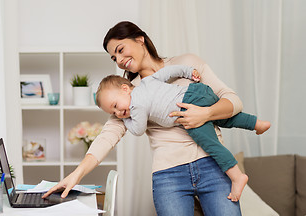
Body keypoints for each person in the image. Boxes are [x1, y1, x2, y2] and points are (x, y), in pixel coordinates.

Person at [43, 21, 252, 215]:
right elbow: (107, 137)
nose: (120, 60)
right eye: (114, 58)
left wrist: (205, 113)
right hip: (169, 176)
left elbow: (233, 101)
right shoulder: (128, 97)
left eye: (120, 49)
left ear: (140, 39)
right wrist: (76, 174)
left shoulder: (186, 63)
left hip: (213, 165)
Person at [94, 65, 271, 201]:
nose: (118, 114)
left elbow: (138, 129)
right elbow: (169, 72)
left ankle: (237, 176)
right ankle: (257, 123)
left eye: (116, 106)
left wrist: (125, 119)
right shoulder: (148, 81)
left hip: (188, 107)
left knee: (210, 143)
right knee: (223, 118)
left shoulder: (136, 106)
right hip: (198, 91)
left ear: (126, 89)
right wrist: (188, 71)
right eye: (113, 113)